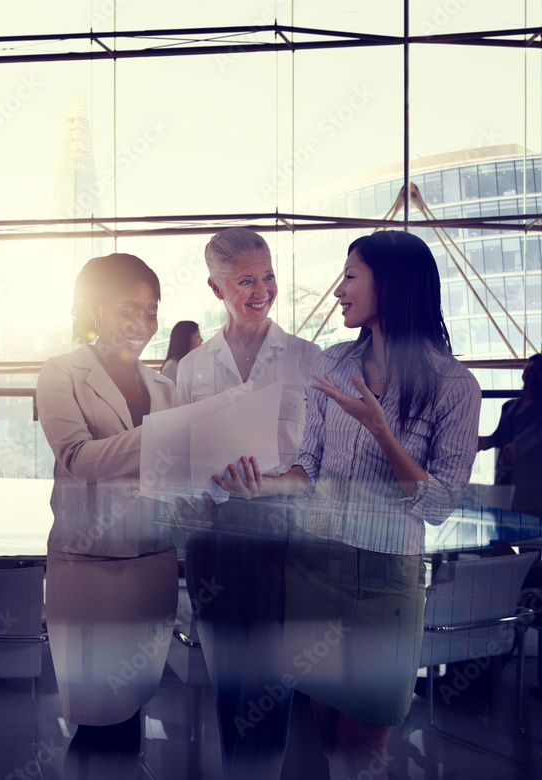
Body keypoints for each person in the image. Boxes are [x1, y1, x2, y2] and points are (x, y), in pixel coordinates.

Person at [216, 230, 480, 780]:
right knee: (328, 742)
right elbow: (307, 471)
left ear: (392, 285)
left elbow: (439, 504)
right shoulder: (334, 364)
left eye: (351, 276)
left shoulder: (455, 386)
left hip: (385, 582)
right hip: (313, 567)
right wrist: (258, 485)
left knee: (364, 751)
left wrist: (383, 433)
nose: (338, 290)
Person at [174, 228, 320, 780]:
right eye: (244, 282)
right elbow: (181, 463)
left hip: (285, 539)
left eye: (267, 277)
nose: (261, 291)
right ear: (216, 289)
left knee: (270, 683)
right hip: (213, 539)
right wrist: (185, 502)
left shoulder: (309, 361)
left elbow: (322, 466)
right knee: (228, 679)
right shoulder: (190, 369)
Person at [36, 253, 177, 773]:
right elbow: (76, 458)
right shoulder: (61, 374)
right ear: (96, 310)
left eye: (151, 310)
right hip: (90, 565)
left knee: (133, 710)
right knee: (98, 721)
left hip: (153, 560)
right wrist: (165, 436)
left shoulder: (164, 386)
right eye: (128, 309)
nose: (143, 323)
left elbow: (174, 473)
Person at [478, 353, 542, 516]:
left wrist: (517, 445)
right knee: (502, 530)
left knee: (531, 534)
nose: (531, 375)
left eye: (538, 371)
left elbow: (536, 430)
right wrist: (479, 442)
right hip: (505, 478)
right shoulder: (509, 406)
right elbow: (499, 438)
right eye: (529, 369)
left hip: (533, 482)